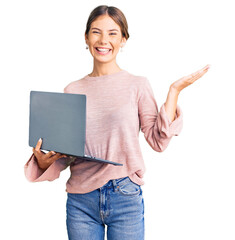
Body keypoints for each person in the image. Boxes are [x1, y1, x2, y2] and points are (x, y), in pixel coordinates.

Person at [24, 5, 210, 240]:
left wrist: (174, 92)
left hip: (125, 194)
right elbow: (69, 152)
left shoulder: (137, 85)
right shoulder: (72, 89)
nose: (103, 40)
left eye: (112, 33)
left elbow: (158, 141)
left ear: (123, 39)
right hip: (81, 200)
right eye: (96, 32)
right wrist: (43, 161)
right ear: (86, 37)